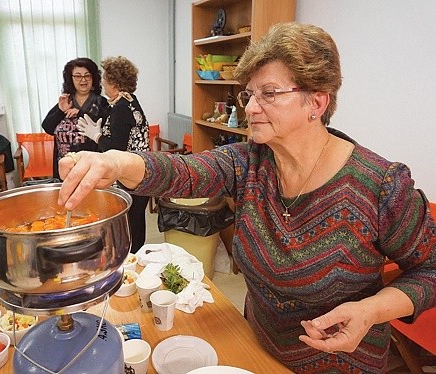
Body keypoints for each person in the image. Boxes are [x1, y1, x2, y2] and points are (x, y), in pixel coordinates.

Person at [57, 23, 436, 373]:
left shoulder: (379, 185)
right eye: (250, 94)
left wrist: (371, 310)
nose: (250, 107)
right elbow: (184, 173)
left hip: (339, 363)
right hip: (256, 348)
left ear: (316, 103)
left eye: (269, 94)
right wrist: (116, 162)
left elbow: (431, 270)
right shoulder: (250, 162)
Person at [77, 55, 150, 254]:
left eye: (104, 79)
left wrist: (97, 136)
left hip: (130, 177)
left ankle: (131, 261)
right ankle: (136, 257)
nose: (102, 83)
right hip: (141, 173)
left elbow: (115, 150)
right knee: (136, 222)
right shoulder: (130, 101)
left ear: (114, 83)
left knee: (129, 225)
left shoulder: (120, 109)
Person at [42, 57, 108, 179]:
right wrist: (60, 111)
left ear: (93, 78)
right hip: (65, 167)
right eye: (77, 76)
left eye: (87, 75)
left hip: (91, 167)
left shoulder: (101, 102)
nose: (83, 80)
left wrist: (80, 112)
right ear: (70, 79)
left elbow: (104, 125)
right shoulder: (66, 100)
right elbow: (48, 127)